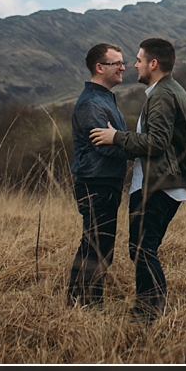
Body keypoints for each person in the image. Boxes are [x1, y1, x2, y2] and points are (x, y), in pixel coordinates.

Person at [88, 37, 186, 320]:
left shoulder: (162, 95)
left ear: (153, 63)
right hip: (165, 182)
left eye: (138, 60)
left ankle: (148, 314)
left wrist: (116, 138)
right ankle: (150, 309)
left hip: (157, 184)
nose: (133, 65)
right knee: (143, 249)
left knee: (142, 249)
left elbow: (157, 142)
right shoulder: (169, 91)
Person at [66, 42, 127, 305]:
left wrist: (121, 139)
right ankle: (83, 305)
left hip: (105, 182)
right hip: (95, 183)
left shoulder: (103, 99)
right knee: (96, 247)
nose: (123, 67)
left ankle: (87, 302)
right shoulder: (92, 103)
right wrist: (139, 145)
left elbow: (114, 141)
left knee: (101, 246)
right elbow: (106, 147)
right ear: (100, 67)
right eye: (117, 63)